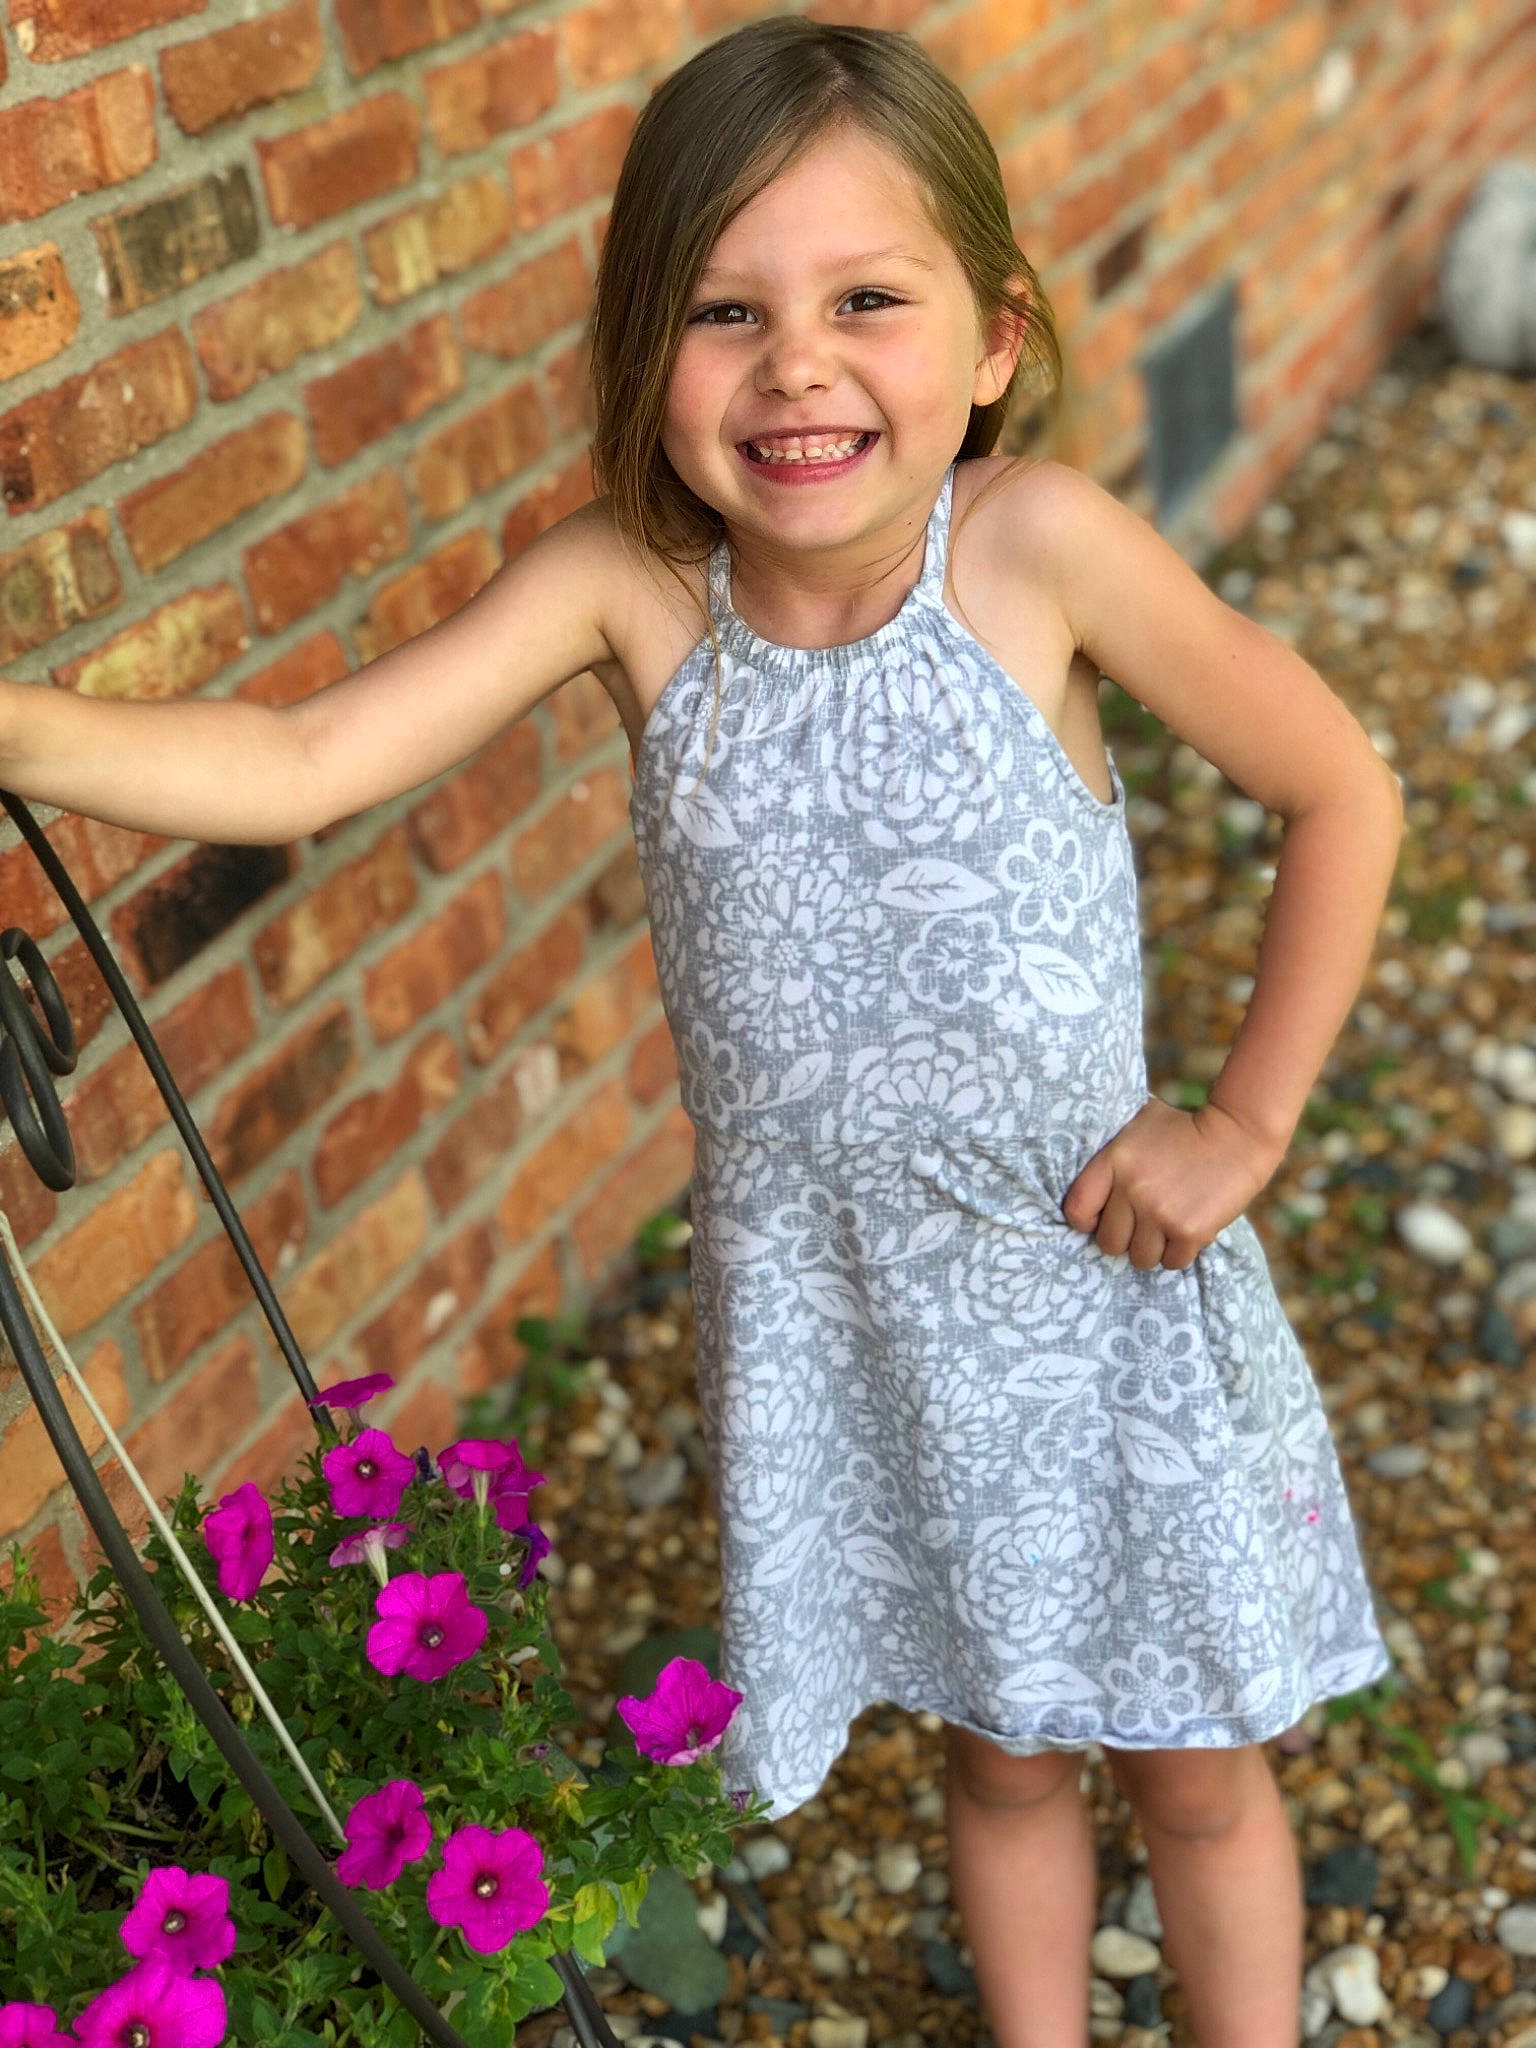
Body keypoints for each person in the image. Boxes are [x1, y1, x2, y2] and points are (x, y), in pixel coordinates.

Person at [0, 17, 1406, 2048]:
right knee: (998, 1745)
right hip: (850, 1320)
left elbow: (1341, 783)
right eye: (727, 311)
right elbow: (308, 754)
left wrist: (1250, 1120)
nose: (798, 365)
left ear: (995, 340)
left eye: (866, 302)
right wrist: (28, 730)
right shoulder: (635, 596)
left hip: (1095, 1289)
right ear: (647, 345)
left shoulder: (1034, 553)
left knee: (1190, 1755)